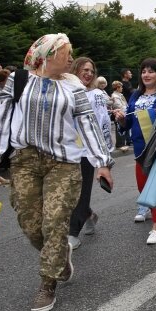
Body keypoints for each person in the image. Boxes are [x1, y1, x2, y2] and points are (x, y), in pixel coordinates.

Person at [0, 34, 113, 311]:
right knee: (30, 224)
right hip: (25, 161)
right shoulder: (20, 81)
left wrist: (101, 162)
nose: (71, 57)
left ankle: (47, 282)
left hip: (63, 163)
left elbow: (88, 124)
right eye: (66, 53)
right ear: (49, 55)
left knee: (54, 222)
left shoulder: (74, 87)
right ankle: (59, 257)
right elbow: (1, 121)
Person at [114, 58, 156, 243]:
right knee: (143, 187)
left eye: (151, 71)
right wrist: (122, 119)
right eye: (144, 71)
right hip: (140, 147)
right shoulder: (135, 96)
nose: (146, 75)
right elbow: (128, 123)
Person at [67, 57, 114, 249]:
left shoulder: (97, 95)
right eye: (84, 70)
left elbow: (102, 123)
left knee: (82, 191)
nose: (88, 74)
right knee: (69, 192)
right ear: (75, 70)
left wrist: (104, 155)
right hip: (67, 150)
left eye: (91, 71)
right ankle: (87, 214)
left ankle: (72, 233)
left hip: (87, 151)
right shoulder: (64, 90)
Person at [110, 80, 129, 151]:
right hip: (119, 114)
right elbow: (118, 106)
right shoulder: (114, 96)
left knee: (123, 129)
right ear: (117, 88)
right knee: (119, 129)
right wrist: (126, 109)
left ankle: (123, 143)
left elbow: (125, 104)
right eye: (121, 87)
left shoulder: (120, 95)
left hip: (124, 113)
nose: (122, 88)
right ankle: (119, 144)